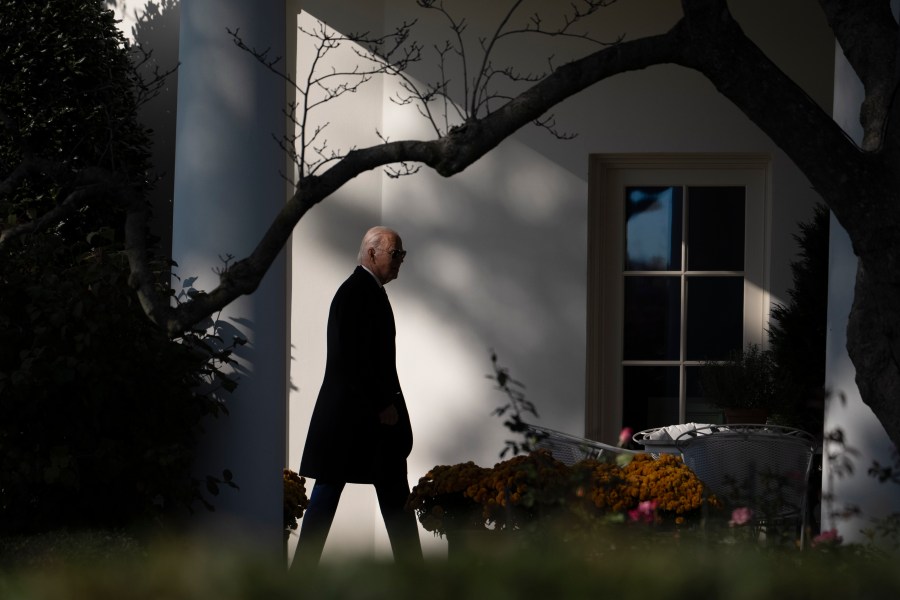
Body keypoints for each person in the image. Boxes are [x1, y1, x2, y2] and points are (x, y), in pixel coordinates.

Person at [292, 226, 423, 569]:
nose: (400, 262)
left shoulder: (367, 291)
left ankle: (416, 578)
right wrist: (382, 404)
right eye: (396, 254)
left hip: (362, 420)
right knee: (333, 492)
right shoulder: (356, 292)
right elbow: (349, 359)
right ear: (371, 253)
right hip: (357, 419)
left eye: (402, 255)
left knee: (390, 495)